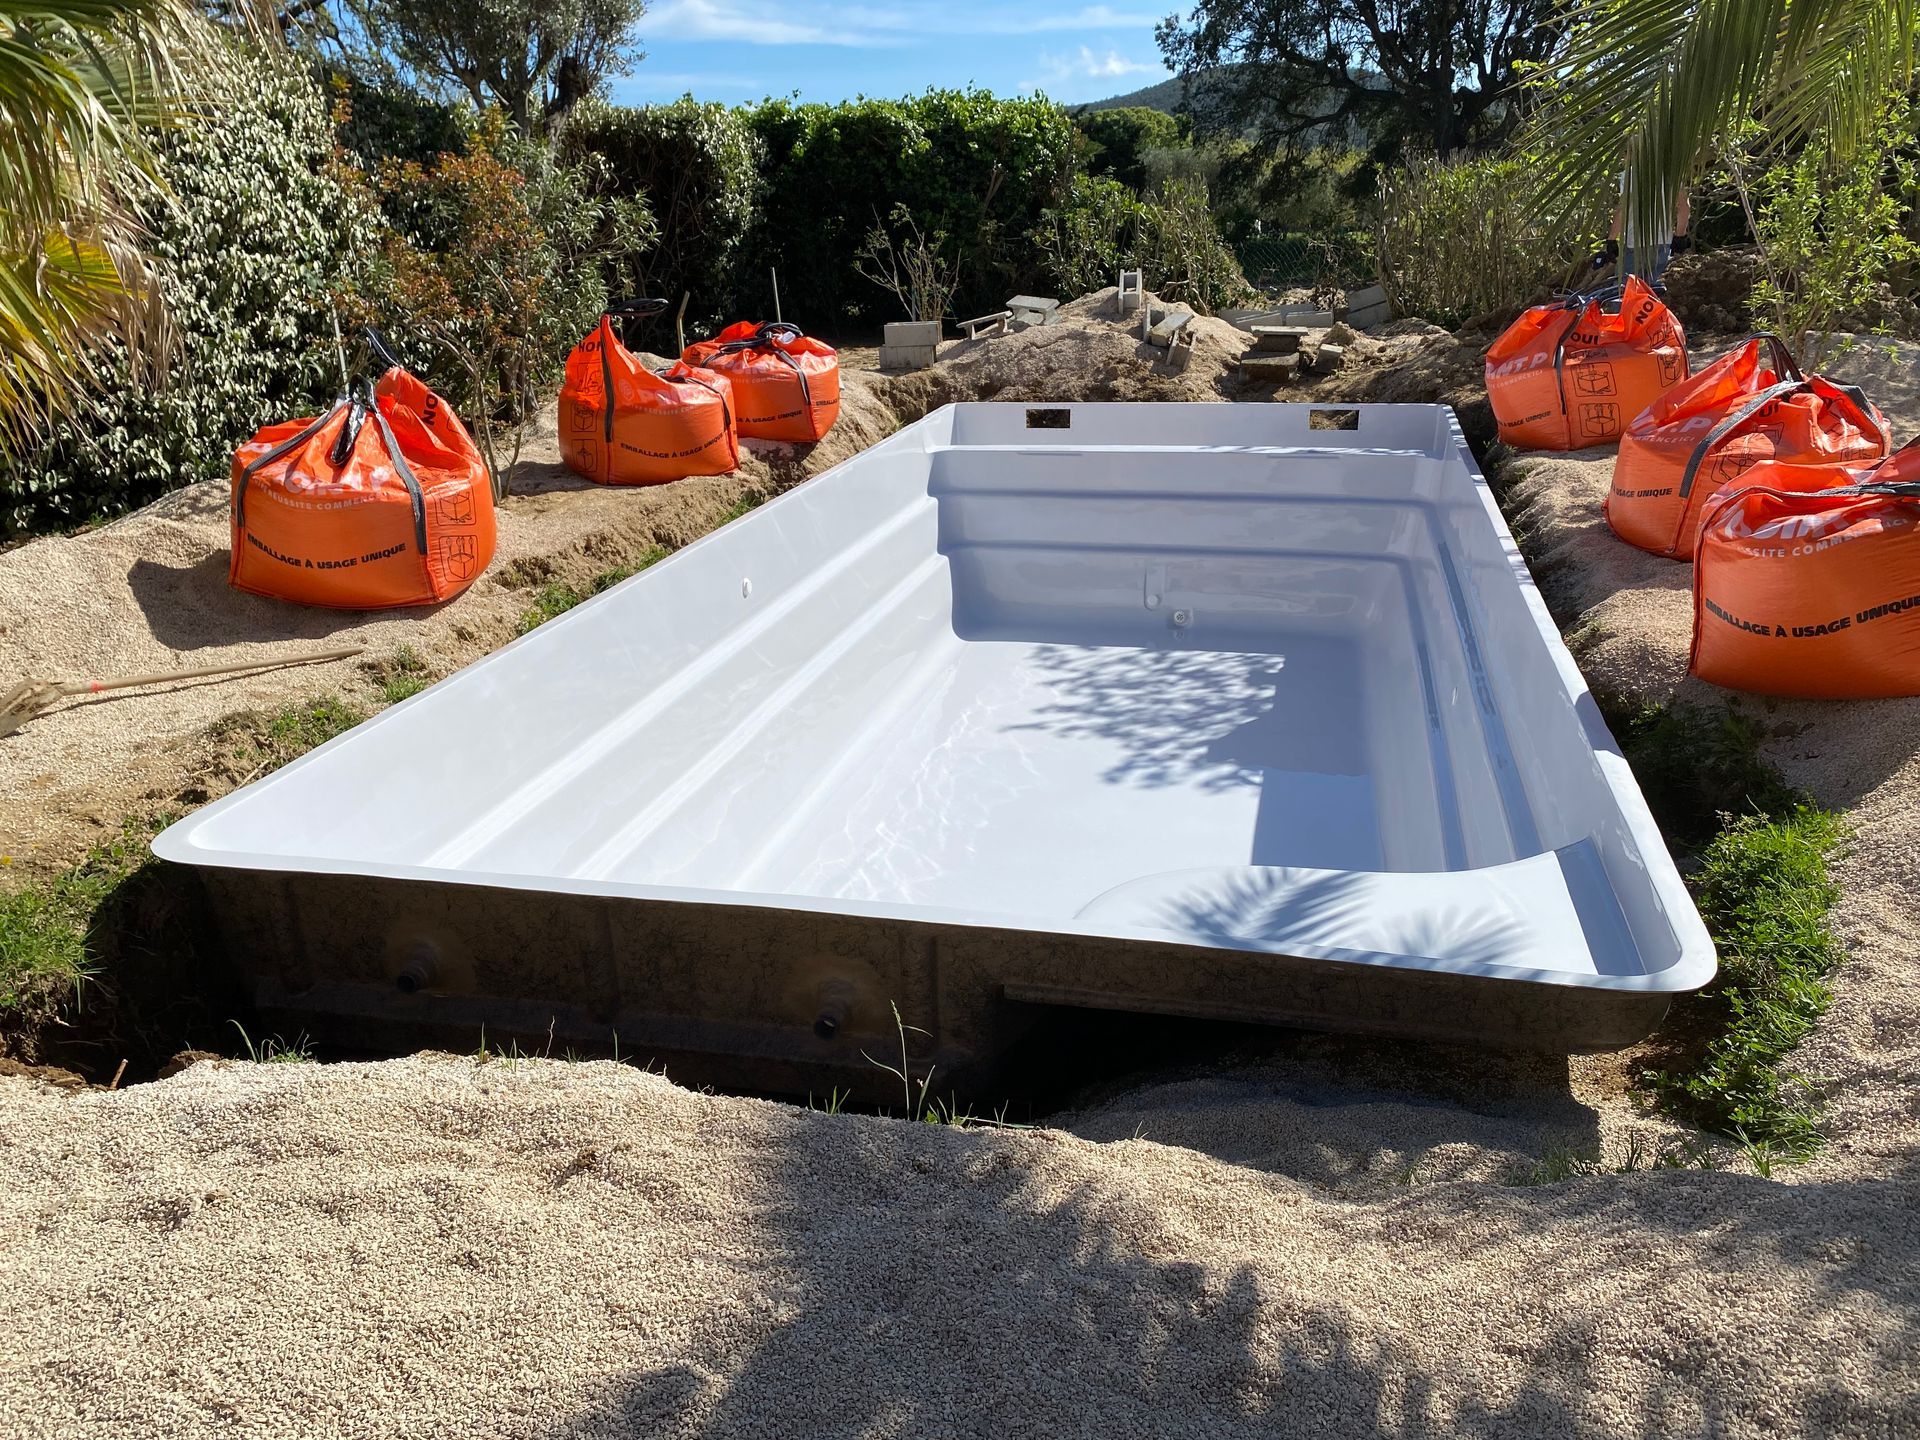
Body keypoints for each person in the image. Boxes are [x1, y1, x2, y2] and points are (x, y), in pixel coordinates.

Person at [1604, 170, 1691, 285]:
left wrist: (1611, 239)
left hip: (1635, 245)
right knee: (1655, 294)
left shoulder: (1631, 174)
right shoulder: (1671, 172)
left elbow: (1624, 209)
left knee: (1624, 294)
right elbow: (1683, 206)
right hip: (1662, 244)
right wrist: (1680, 236)